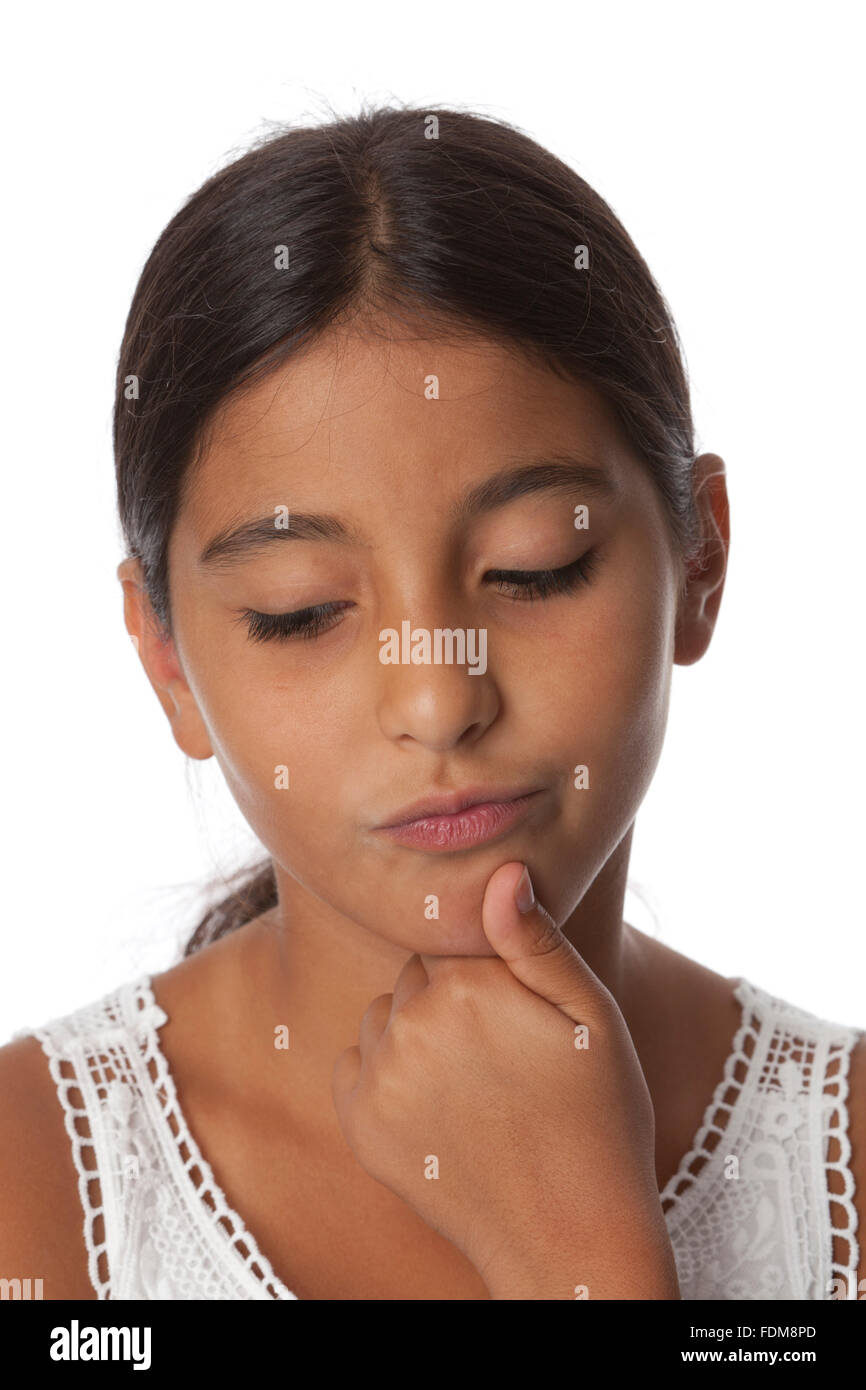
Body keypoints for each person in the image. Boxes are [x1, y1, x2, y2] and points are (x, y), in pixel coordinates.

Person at [1, 103, 863, 1301]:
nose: (436, 697)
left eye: (532, 569)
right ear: (166, 659)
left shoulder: (844, 1164)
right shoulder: (32, 1187)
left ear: (698, 566)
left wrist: (576, 1250)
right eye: (299, 611)